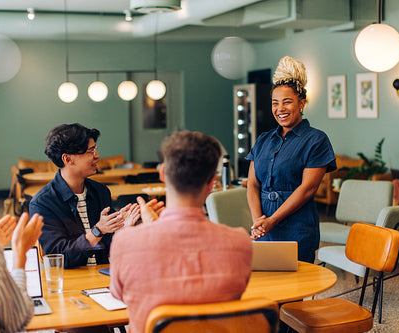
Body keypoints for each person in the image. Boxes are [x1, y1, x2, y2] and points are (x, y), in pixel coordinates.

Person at [110, 131, 252, 333]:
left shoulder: (125, 241)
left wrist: (146, 230)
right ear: (212, 183)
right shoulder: (240, 242)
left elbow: (118, 295)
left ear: (162, 172)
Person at [246, 56, 336, 263]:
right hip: (263, 227)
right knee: (266, 288)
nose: (280, 109)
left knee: (295, 290)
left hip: (298, 226)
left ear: (301, 103)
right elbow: (252, 184)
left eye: (287, 102)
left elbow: (308, 189)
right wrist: (258, 221)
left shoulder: (316, 139)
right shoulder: (263, 139)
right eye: (275, 103)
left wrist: (272, 220)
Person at [29, 123, 143, 268]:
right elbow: (59, 258)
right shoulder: (43, 203)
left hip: (103, 274)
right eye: (90, 151)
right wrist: (97, 231)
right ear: (68, 159)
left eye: (95, 149)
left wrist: (122, 229)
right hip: (71, 282)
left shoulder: (100, 191)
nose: (97, 156)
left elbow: (109, 247)